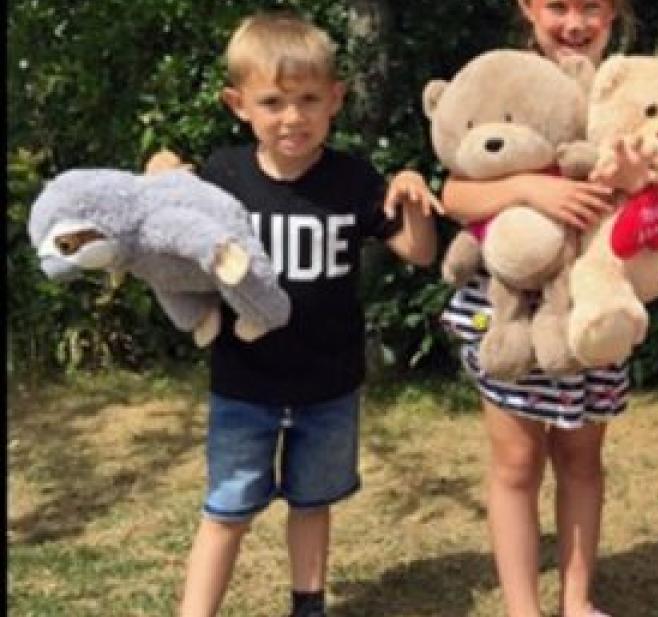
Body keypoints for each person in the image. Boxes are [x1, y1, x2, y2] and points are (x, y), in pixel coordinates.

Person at [143, 9, 440, 617]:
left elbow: (419, 252)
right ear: (238, 103)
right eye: (273, 101)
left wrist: (412, 193)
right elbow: (165, 209)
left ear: (336, 99)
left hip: (328, 386)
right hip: (243, 383)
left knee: (312, 502)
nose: (292, 117)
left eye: (308, 99)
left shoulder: (353, 178)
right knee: (226, 511)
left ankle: (308, 605)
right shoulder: (224, 175)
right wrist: (161, 170)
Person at [433, 2, 643, 616]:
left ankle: (577, 601)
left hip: (591, 307)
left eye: (592, 8)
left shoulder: (626, 95)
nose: (575, 23)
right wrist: (529, 187)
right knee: (517, 461)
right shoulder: (501, 78)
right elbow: (454, 192)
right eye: (558, 6)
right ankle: (523, 609)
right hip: (506, 311)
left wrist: (635, 180)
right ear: (528, 8)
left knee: (582, 456)